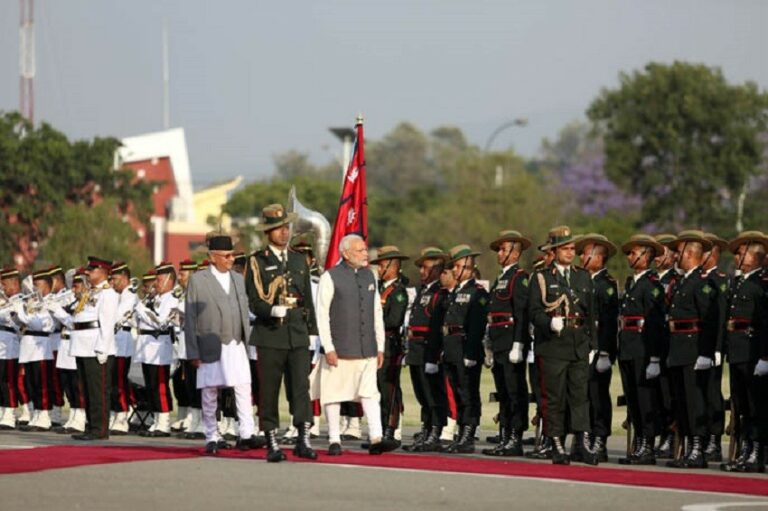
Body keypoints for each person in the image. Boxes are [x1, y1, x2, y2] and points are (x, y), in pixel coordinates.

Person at [245, 204, 318, 462]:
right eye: (278, 228)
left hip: (297, 332)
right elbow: (254, 301)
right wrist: (271, 310)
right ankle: (272, 440)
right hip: (270, 333)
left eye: (286, 227)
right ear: (268, 232)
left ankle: (303, 439)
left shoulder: (298, 259)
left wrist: (312, 331)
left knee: (301, 388)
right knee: (269, 389)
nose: (284, 232)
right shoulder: (257, 260)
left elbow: (308, 298)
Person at [315, 234, 398, 456]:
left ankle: (376, 437)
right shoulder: (330, 277)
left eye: (364, 249)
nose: (365, 254)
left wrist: (379, 346)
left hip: (366, 347)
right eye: (360, 250)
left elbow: (376, 312)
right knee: (333, 394)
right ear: (345, 253)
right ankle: (334, 439)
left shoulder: (370, 276)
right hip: (340, 348)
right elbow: (322, 315)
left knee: (370, 394)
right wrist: (328, 347)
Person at [185, 232, 262, 455]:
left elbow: (244, 311)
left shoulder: (237, 279)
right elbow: (190, 317)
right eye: (226, 256)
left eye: (232, 255)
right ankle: (212, 435)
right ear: (213, 257)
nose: (231, 259)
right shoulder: (198, 280)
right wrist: (193, 352)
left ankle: (246, 433)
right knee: (210, 391)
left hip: (236, 342)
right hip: (210, 344)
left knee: (243, 387)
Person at [528, 226, 598, 465]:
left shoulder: (582, 276)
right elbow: (533, 312)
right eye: (565, 248)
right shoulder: (541, 277)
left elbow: (591, 313)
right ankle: (556, 442)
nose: (570, 252)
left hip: (578, 343)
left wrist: (593, 345)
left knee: (580, 396)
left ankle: (581, 443)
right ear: (555, 251)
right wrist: (548, 322)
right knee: (554, 397)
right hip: (553, 345)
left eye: (572, 248)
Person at [664, 230, 719, 469]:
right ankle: (689, 447)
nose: (676, 256)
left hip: (693, 350)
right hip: (678, 348)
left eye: (679, 252)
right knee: (682, 401)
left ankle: (698, 449)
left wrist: (706, 352)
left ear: (689, 253)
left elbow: (710, 320)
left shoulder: (702, 282)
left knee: (695, 401)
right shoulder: (683, 282)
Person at [54, 256, 119, 440]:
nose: (88, 273)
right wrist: (58, 312)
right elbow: (76, 319)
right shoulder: (90, 293)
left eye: (92, 270)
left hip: (95, 347)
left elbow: (107, 324)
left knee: (98, 391)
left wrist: (102, 349)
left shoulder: (108, 294)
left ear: (103, 272)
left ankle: (100, 429)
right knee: (87, 390)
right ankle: (91, 426)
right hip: (82, 346)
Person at [720, 231, 768, 473]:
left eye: (742, 253)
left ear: (756, 257)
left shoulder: (762, 283)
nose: (737, 257)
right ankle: (747, 449)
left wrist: (765, 356)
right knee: (742, 405)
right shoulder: (740, 282)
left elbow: (765, 322)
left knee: (755, 404)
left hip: (753, 350)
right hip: (738, 350)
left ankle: (757, 452)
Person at [616, 234, 665, 465]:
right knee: (633, 399)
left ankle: (647, 445)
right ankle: (639, 441)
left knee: (645, 400)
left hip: (643, 350)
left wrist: (654, 357)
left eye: (634, 253)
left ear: (646, 256)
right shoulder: (632, 283)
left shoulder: (652, 285)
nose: (629, 256)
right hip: (628, 347)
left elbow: (654, 324)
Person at [482, 230, 531, 457]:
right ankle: (505, 435)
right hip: (499, 341)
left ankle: (515, 438)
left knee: (514, 391)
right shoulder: (501, 278)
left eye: (503, 249)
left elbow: (521, 313)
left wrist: (519, 344)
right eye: (499, 250)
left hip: (511, 341)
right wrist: (489, 344)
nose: (499, 253)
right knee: (503, 391)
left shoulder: (519, 277)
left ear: (515, 253)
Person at [437, 244, 489, 454]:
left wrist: (471, 352)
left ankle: (468, 434)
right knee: (458, 393)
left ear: (469, 267)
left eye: (458, 267)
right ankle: (461, 432)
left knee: (468, 393)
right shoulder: (455, 291)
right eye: (454, 267)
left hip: (465, 347)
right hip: (451, 347)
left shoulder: (477, 292)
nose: (455, 271)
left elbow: (477, 325)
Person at [576, 233, 620, 462]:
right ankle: (585, 438)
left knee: (598, 395)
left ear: (598, 257)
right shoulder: (582, 281)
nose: (581, 257)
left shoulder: (606, 284)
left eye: (585, 253)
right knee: (583, 395)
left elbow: (609, 322)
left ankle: (600, 439)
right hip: (582, 346)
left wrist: (605, 352)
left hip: (599, 348)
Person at [402, 247, 449, 452]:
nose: (422, 271)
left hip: (428, 348)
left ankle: (435, 432)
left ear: (437, 269)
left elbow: (437, 326)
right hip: (416, 348)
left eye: (426, 267)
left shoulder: (440, 292)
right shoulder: (424, 290)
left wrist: (435, 355)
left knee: (433, 394)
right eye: (421, 267)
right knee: (422, 393)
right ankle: (427, 428)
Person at [369, 246, 410, 446]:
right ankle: (379, 429)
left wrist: (372, 322)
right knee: (375, 389)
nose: (378, 269)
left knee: (389, 389)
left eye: (382, 265)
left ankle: (391, 429)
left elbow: (394, 320)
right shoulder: (377, 288)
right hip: (374, 344)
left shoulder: (398, 292)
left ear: (393, 267)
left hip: (389, 345)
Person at [134, 261, 179, 437]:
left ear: (169, 280)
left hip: (160, 347)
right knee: (151, 385)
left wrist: (142, 310)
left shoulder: (172, 299)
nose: (156, 284)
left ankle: (164, 422)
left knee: (160, 386)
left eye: (159, 280)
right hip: (147, 348)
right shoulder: (155, 298)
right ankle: (156, 420)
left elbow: (161, 323)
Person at [14, 269, 56, 431]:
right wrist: (16, 314)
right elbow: (21, 324)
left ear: (47, 286)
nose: (34, 289)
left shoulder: (49, 303)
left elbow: (37, 324)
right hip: (28, 347)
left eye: (38, 285)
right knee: (31, 383)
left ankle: (44, 417)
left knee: (42, 383)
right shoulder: (33, 302)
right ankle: (36, 415)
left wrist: (20, 311)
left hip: (41, 347)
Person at [701, 233, 729, 462]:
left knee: (712, 393)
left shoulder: (720, 280)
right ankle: (700, 437)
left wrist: (718, 347)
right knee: (698, 394)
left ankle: (714, 438)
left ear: (712, 254)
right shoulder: (697, 279)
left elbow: (721, 318)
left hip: (712, 347)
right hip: (696, 345)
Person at [109, 262, 137, 435]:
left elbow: (116, 316)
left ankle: (122, 416)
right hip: (113, 341)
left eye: (115, 279)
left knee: (119, 381)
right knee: (112, 382)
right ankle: (114, 412)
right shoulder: (117, 295)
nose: (112, 282)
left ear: (125, 278)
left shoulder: (130, 295)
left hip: (123, 341)